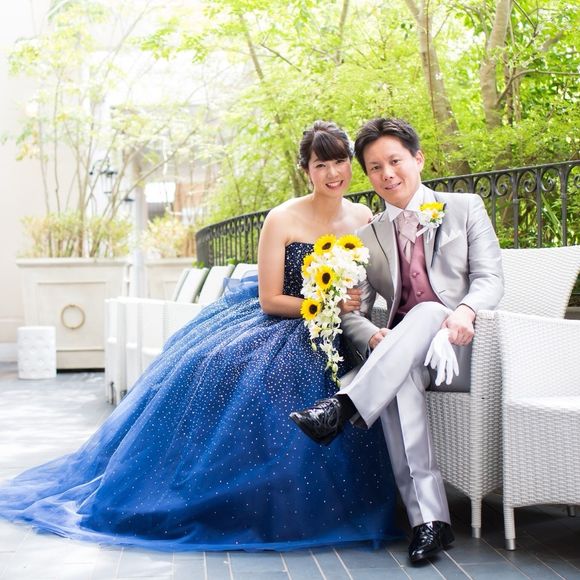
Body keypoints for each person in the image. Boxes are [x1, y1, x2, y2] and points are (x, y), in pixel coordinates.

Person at [0, 121, 399, 552]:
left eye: (340, 161)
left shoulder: (363, 217)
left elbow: (371, 285)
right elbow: (270, 299)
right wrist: (322, 304)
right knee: (221, 364)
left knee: (322, 385)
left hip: (336, 331)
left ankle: (303, 498)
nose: (333, 173)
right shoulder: (282, 219)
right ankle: (218, 493)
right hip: (285, 319)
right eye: (321, 165)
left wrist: (350, 309)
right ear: (307, 170)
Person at [290, 117, 504, 563]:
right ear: (367, 176)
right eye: (375, 167)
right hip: (404, 354)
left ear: (417, 159)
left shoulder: (464, 208)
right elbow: (353, 312)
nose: (387, 174)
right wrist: (373, 337)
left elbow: (489, 279)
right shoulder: (367, 236)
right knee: (398, 375)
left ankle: (344, 405)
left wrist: (464, 310)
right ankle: (430, 523)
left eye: (395, 161)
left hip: (462, 348)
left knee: (427, 312)